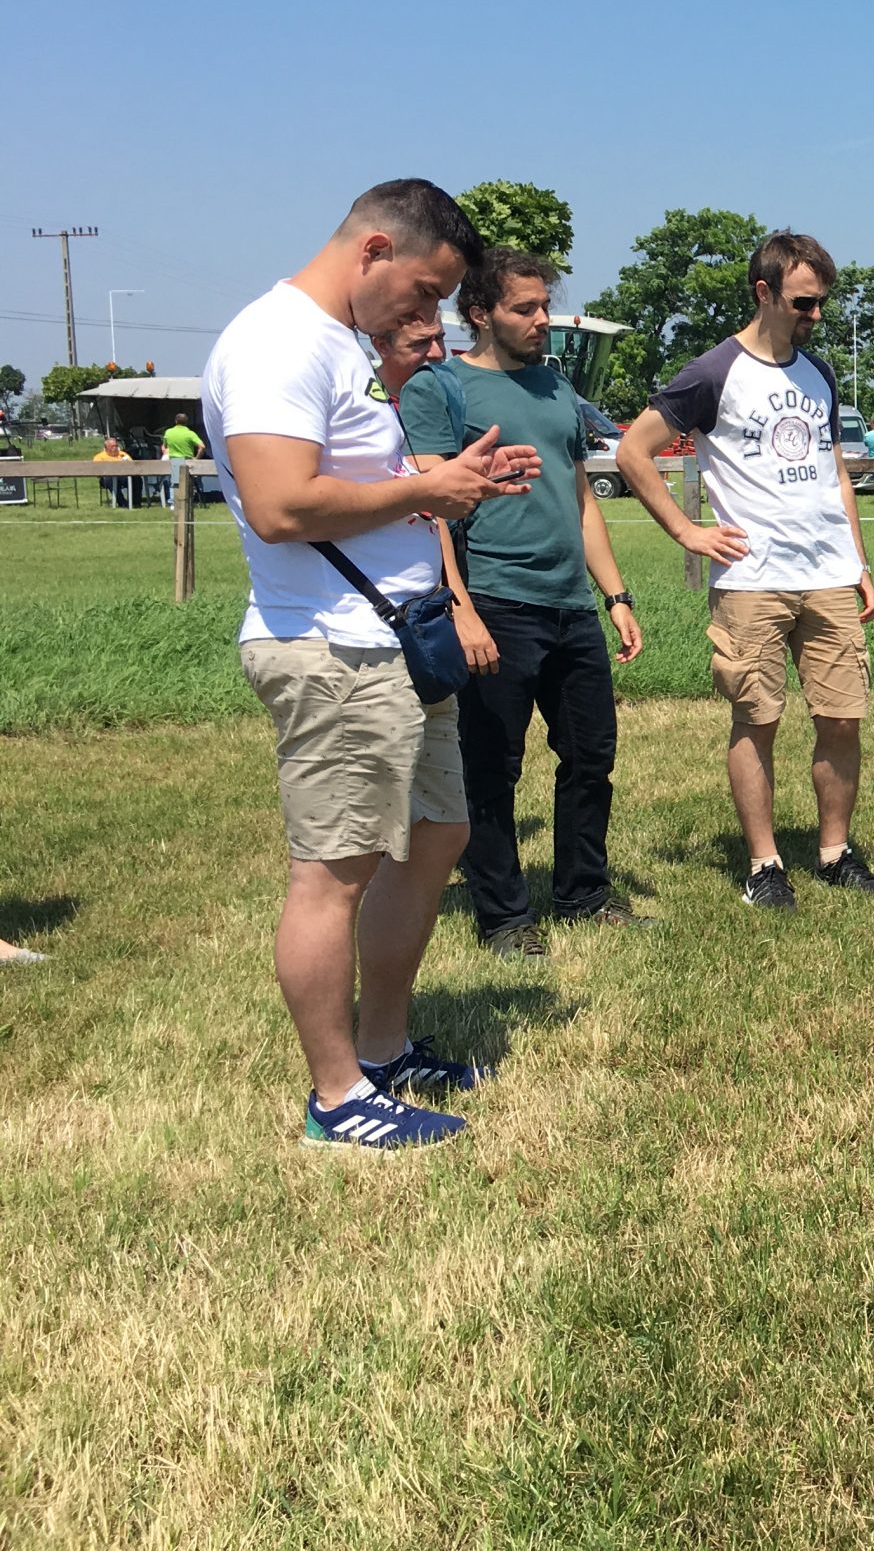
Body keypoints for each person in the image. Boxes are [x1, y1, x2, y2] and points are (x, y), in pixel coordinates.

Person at [204, 178, 539, 1151]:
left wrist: (446, 486)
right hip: (331, 647)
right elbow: (279, 504)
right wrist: (424, 488)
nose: (426, 317)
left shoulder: (335, 347)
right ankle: (338, 1097)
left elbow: (355, 484)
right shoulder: (279, 343)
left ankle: (384, 1050)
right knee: (334, 874)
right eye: (426, 291)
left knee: (436, 835)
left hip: (395, 639)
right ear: (374, 248)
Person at [616, 231, 874, 907]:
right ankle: (765, 867)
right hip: (751, 580)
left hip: (827, 572)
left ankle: (834, 853)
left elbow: (833, 471)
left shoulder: (819, 374)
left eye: (822, 302)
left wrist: (857, 561)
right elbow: (631, 450)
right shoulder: (712, 373)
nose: (816, 315)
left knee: (843, 717)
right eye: (804, 302)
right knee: (756, 719)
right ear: (764, 292)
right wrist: (686, 530)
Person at [402, 248, 646, 958]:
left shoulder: (556, 389)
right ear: (479, 313)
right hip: (494, 601)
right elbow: (429, 511)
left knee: (591, 756)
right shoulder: (437, 389)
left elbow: (578, 501)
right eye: (525, 309)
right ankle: (504, 916)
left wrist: (615, 594)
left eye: (545, 306)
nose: (543, 320)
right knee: (491, 768)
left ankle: (583, 895)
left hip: (569, 604)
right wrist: (460, 608)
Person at [92, 434, 132, 508]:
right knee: (110, 480)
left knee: (137, 479)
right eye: (112, 446)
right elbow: (98, 471)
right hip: (107, 478)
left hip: (123, 476)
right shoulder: (99, 457)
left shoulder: (123, 454)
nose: (115, 448)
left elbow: (132, 466)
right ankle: (122, 503)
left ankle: (136, 502)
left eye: (116, 446)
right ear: (106, 448)